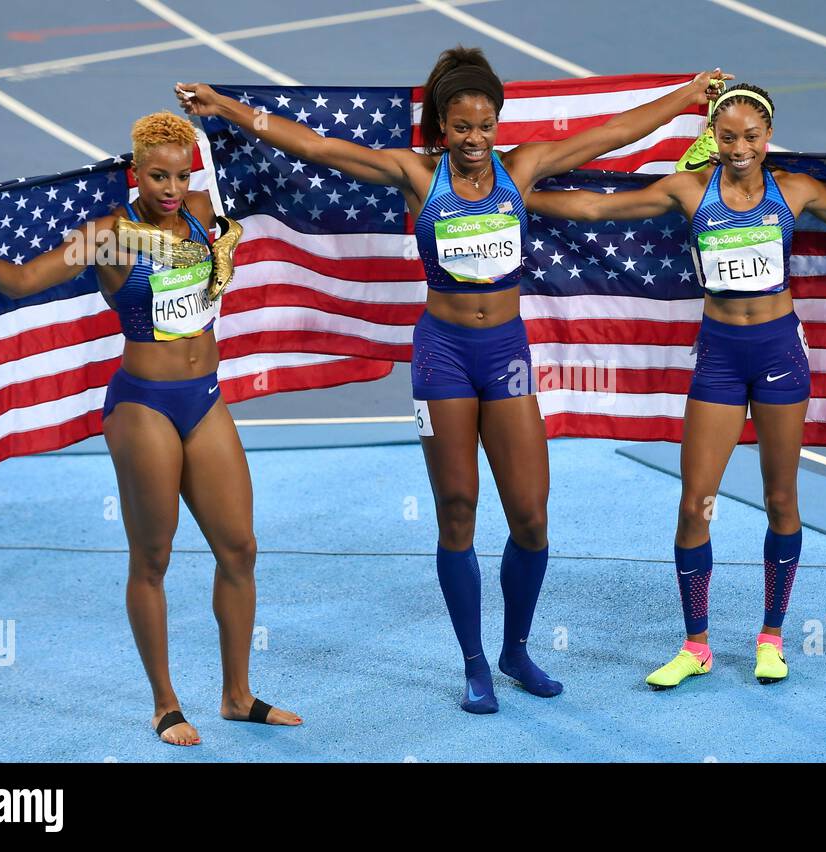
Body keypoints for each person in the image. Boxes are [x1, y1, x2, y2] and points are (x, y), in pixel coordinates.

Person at [177, 49, 729, 713]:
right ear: (442, 127)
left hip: (508, 356)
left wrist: (688, 94)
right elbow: (316, 147)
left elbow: (613, 133)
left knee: (530, 515)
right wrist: (228, 109)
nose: (475, 140)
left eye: (486, 126)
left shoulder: (520, 170)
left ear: (499, 124)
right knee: (458, 511)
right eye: (462, 128)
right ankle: (474, 666)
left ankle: (516, 648)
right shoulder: (416, 175)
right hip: (441, 358)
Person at [527, 84, 826, 689]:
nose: (739, 148)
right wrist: (523, 196)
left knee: (781, 499)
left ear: (768, 136)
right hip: (720, 359)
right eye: (727, 137)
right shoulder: (689, 189)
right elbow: (600, 210)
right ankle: (696, 643)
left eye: (751, 137)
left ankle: (771, 636)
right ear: (713, 134)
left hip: (781, 353)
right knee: (694, 501)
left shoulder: (796, 191)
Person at [0, 111, 302, 744]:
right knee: (154, 556)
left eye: (180, 175)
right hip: (143, 404)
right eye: (157, 176)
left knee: (240, 548)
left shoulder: (201, 213)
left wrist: (222, 105)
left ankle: (236, 694)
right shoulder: (110, 237)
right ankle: (166, 703)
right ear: (134, 173)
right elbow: (24, 281)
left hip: (206, 397)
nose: (171, 189)